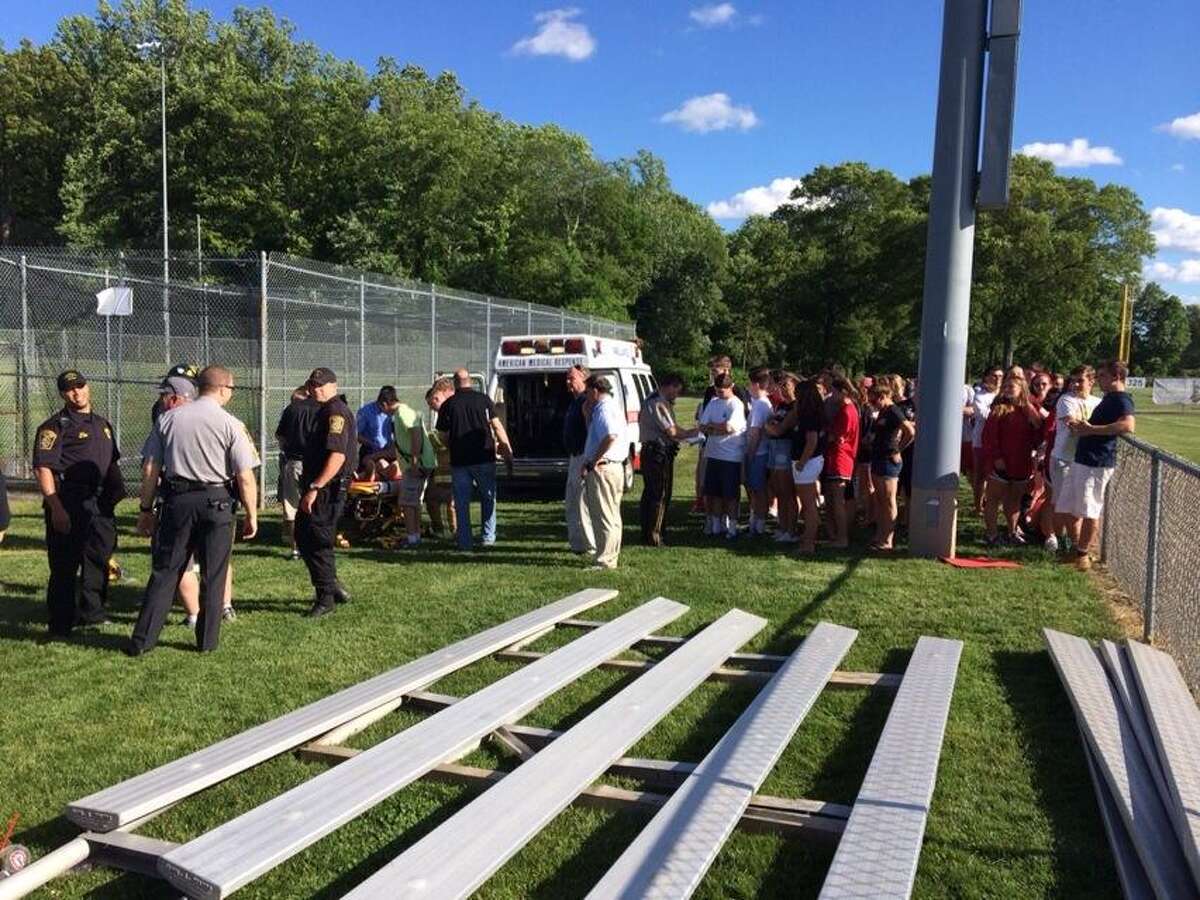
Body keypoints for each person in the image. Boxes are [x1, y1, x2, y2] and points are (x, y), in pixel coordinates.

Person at [127, 366, 258, 654]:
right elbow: (245, 476)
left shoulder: (168, 420)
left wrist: (145, 508)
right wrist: (252, 514)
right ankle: (207, 643)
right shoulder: (231, 424)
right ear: (223, 389)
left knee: (165, 572)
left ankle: (143, 641)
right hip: (217, 502)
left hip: (177, 501)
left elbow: (150, 468)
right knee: (214, 575)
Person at [32, 370, 125, 639]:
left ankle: (92, 613)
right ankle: (61, 622)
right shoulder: (54, 427)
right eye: (70, 389)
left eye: (81, 386)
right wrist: (56, 507)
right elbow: (43, 468)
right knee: (64, 564)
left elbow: (111, 463)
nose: (77, 392)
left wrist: (114, 496)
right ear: (62, 394)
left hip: (99, 503)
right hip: (68, 500)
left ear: (88, 386)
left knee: (97, 557)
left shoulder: (102, 424)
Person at [1060, 360, 1136, 570]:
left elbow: (1128, 425)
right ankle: (1076, 549)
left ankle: (1083, 555)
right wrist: (1084, 429)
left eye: (1102, 376)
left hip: (1097, 461)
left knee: (1089, 509)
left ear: (1117, 377)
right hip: (1084, 458)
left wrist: (1092, 429)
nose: (1098, 380)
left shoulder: (1122, 399)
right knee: (1069, 505)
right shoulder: (1109, 398)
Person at [296, 368, 356, 616]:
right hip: (322, 487)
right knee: (304, 535)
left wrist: (315, 487)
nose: (316, 389)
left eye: (321, 385)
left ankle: (325, 598)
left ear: (333, 385)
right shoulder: (326, 410)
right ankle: (332, 587)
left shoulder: (335, 411)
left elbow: (337, 455)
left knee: (317, 540)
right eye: (312, 385)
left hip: (326, 488)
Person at [436, 368, 513, 551]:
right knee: (488, 498)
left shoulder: (449, 405)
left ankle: (465, 541)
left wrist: (451, 445)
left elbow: (442, 434)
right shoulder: (484, 400)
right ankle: (488, 536)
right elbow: (496, 426)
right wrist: (506, 449)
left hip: (460, 461)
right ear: (470, 381)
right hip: (484, 457)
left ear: (455, 382)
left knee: (462, 503)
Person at [980, 375, 1044, 546]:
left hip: (1021, 462)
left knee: (1014, 500)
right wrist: (996, 458)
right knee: (993, 498)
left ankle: (1012, 532)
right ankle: (991, 534)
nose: (1007, 389)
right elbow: (989, 437)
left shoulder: (1030, 410)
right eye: (1005, 386)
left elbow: (1038, 434)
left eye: (1011, 387)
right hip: (1001, 462)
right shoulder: (999, 409)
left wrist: (1034, 418)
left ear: (1021, 389)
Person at [638, 373, 696, 546]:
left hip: (653, 452)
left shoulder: (655, 399)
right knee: (660, 495)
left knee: (650, 494)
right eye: (676, 391)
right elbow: (671, 431)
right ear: (669, 386)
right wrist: (693, 434)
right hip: (658, 454)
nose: (676, 395)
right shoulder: (658, 403)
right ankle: (655, 536)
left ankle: (648, 532)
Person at [1050, 366, 1101, 551]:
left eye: (1080, 380)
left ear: (1091, 381)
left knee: (1080, 505)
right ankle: (1064, 542)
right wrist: (1102, 430)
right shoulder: (1066, 400)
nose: (1075, 384)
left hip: (1084, 459)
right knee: (1061, 503)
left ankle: (1076, 546)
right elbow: (1073, 426)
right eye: (1073, 380)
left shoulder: (1098, 402)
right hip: (1064, 458)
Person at [581, 374, 629, 568]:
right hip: (615, 466)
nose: (586, 396)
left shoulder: (603, 409)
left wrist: (594, 459)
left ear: (595, 390)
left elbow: (609, 436)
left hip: (604, 468)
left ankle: (604, 560)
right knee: (613, 515)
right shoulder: (613, 406)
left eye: (587, 392)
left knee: (603, 516)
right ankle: (611, 555)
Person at [698, 372, 747, 540]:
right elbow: (703, 426)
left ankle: (732, 527)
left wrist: (713, 427)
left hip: (731, 456)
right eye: (717, 391)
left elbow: (730, 427)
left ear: (731, 387)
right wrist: (714, 427)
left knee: (731, 495)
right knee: (714, 493)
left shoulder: (736, 404)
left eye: (723, 391)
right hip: (713, 454)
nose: (720, 394)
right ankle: (716, 525)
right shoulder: (713, 402)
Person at [867, 382, 915, 551]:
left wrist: (898, 449)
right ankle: (880, 534)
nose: (872, 404)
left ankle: (888, 539)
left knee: (888, 500)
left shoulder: (894, 411)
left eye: (874, 401)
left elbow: (909, 430)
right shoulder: (883, 411)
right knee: (880, 500)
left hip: (889, 460)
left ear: (883, 397)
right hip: (878, 457)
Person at [275, 385, 318, 559]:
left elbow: (280, 436)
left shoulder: (291, 410)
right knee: (315, 505)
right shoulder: (321, 409)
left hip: (294, 461)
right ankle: (315, 545)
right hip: (316, 464)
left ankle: (295, 548)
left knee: (292, 506)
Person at [393, 391, 438, 548]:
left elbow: (416, 432)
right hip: (421, 463)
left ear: (385, 403)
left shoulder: (402, 412)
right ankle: (415, 536)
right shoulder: (406, 411)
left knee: (407, 502)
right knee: (414, 502)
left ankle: (412, 538)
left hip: (416, 466)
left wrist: (414, 461)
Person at [823, 374, 861, 549]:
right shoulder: (844, 409)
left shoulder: (847, 411)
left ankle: (842, 537)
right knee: (831, 499)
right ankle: (835, 535)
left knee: (838, 500)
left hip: (841, 458)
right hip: (835, 458)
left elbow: (837, 436)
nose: (832, 395)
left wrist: (827, 435)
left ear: (842, 392)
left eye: (834, 392)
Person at [790, 379, 827, 554]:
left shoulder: (810, 415)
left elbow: (811, 442)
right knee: (809, 502)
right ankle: (809, 537)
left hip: (808, 462)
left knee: (808, 504)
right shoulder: (810, 412)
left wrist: (801, 463)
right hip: (808, 461)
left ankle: (809, 542)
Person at [562, 364, 595, 555]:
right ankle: (577, 544)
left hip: (583, 455)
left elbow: (591, 431)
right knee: (571, 503)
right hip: (573, 456)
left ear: (584, 379)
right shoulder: (575, 401)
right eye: (567, 378)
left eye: (571, 378)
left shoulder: (586, 402)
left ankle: (590, 545)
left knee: (583, 503)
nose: (568, 382)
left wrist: (588, 460)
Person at [765, 371, 799, 543]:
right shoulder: (782, 406)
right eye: (782, 386)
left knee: (787, 492)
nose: (784, 390)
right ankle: (783, 526)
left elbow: (778, 429)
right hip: (775, 447)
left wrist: (769, 426)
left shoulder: (795, 406)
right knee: (778, 490)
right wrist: (770, 426)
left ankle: (791, 530)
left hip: (785, 449)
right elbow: (772, 425)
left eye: (787, 386)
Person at [423, 379, 457, 538]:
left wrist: (430, 439)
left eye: (432, 404)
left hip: (452, 465)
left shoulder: (450, 412)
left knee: (451, 503)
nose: (432, 408)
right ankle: (440, 529)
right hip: (441, 467)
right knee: (432, 500)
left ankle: (454, 530)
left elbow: (446, 439)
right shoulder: (442, 414)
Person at [968, 366, 1004, 514]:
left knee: (998, 474)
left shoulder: (1006, 396)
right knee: (980, 475)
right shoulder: (979, 396)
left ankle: (995, 503)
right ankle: (978, 506)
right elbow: (985, 416)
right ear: (986, 378)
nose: (997, 379)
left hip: (1001, 440)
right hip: (981, 440)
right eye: (994, 376)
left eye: (1001, 376)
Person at [743, 368, 774, 536]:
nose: (748, 387)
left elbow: (755, 433)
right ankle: (754, 522)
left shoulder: (760, 405)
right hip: (761, 453)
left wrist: (749, 455)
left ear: (756, 385)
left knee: (757, 490)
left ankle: (758, 524)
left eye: (749, 383)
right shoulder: (762, 403)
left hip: (758, 454)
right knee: (756, 490)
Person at [356, 386, 400, 476]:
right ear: (384, 404)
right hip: (370, 450)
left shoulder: (393, 412)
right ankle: (370, 474)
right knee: (380, 464)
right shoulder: (365, 412)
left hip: (387, 450)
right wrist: (371, 444)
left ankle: (378, 474)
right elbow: (357, 435)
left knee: (394, 465)